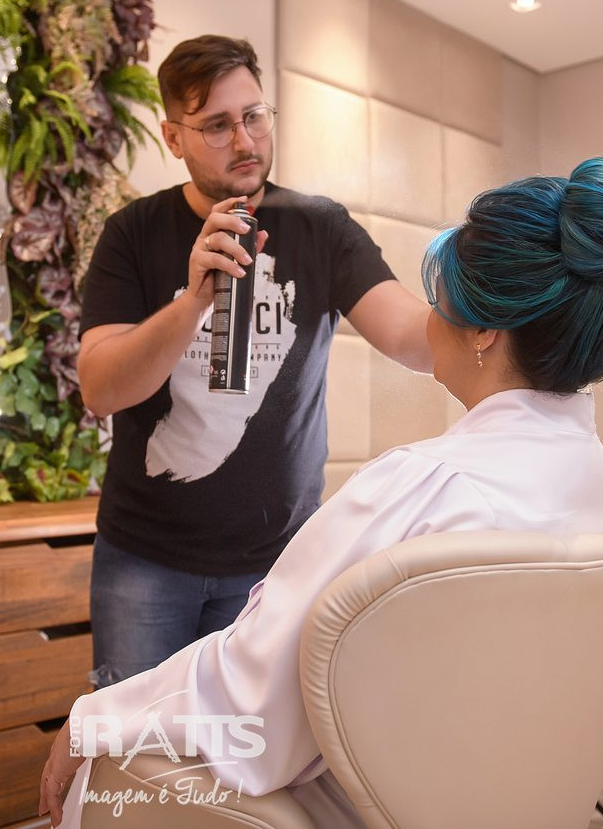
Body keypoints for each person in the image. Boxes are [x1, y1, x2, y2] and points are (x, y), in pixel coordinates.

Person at [40, 156, 603, 827]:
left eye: (440, 297)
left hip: (371, 807)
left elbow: (252, 711)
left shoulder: (420, 489)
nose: (429, 318)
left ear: (483, 331)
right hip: (493, 803)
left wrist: (94, 719)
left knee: (101, 770)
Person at [77, 35, 433, 689]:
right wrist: (193, 302)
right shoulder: (132, 233)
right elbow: (100, 388)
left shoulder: (322, 227)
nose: (244, 141)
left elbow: (412, 336)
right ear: (173, 137)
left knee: (247, 746)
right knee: (133, 739)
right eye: (216, 125)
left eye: (253, 116)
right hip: (144, 561)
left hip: (275, 562)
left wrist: (494, 306)